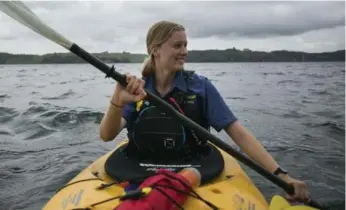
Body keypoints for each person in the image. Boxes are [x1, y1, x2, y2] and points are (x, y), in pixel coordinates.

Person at [99, 20, 310, 203]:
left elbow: (239, 133)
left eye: (185, 45)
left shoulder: (201, 87)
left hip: (194, 168)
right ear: (155, 49)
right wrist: (117, 100)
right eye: (177, 45)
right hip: (139, 168)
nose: (184, 51)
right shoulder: (138, 89)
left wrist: (281, 175)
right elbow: (107, 135)